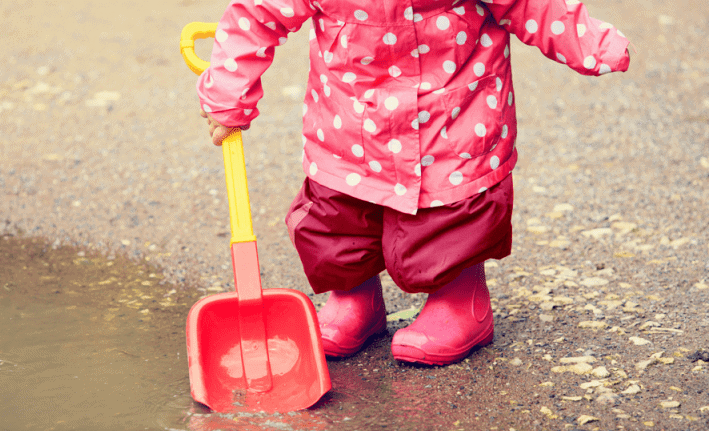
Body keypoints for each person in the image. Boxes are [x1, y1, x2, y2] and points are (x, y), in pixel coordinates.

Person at [197, 0, 631, 365]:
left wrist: (591, 43)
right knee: (337, 221)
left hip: (451, 118)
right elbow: (257, 15)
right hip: (349, 122)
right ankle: (354, 298)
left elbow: (530, 4)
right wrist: (228, 93)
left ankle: (461, 301)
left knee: (449, 223)